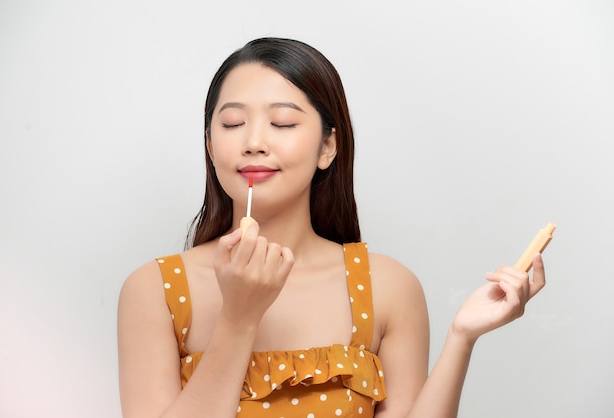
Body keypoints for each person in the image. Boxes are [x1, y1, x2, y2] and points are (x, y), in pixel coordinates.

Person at [117, 37, 546, 418]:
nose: (253, 141)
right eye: (232, 124)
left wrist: (461, 338)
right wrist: (239, 317)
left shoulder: (388, 286)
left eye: (282, 123)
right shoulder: (154, 290)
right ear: (211, 148)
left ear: (327, 147)